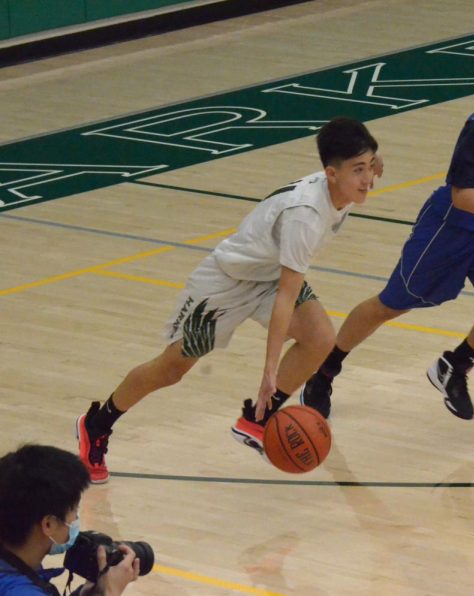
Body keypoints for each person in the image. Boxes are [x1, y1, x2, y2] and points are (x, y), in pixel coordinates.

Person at [76, 117, 382, 483]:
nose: (368, 179)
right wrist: (270, 372)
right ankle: (97, 424)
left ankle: (256, 420)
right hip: (226, 283)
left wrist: (373, 159)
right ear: (331, 173)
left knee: (320, 338)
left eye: (370, 167)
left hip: (267, 276)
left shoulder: (345, 188)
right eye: (358, 170)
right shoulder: (307, 216)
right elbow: (287, 297)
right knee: (171, 369)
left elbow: (283, 287)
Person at [299, 37, 474, 421]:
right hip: (451, 227)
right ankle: (324, 372)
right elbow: (461, 195)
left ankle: (455, 367)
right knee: (389, 305)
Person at [0, 444, 139, 595]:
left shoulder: (17, 563)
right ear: (49, 524)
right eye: (73, 510)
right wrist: (111, 591)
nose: (75, 519)